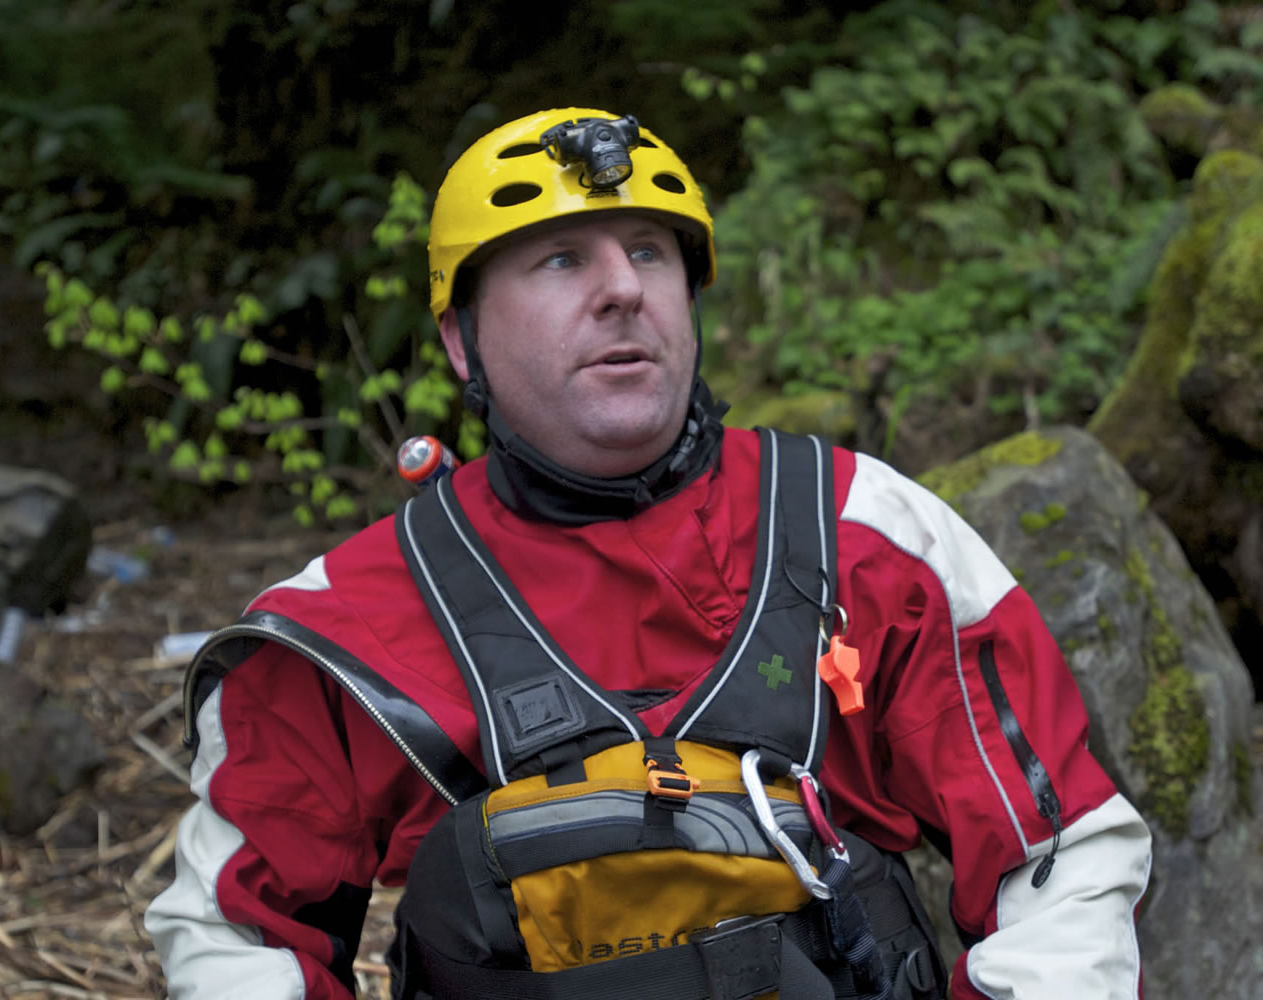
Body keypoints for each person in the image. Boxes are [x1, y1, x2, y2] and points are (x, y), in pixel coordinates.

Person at [145, 107, 1152, 999]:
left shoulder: (870, 535)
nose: (623, 287)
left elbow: (1061, 862)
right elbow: (237, 932)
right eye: (560, 258)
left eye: (651, 251)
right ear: (461, 343)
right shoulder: (349, 622)